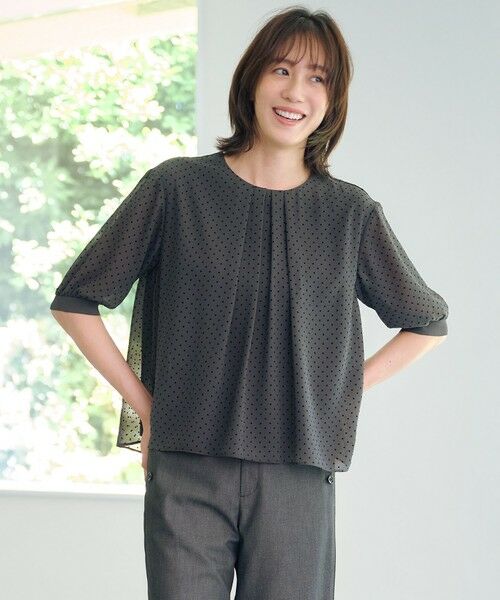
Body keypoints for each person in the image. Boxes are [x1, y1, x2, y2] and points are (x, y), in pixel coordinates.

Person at [50, 6, 449, 599]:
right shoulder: (176, 189)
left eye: (317, 78)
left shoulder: (349, 214)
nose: (295, 92)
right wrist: (146, 408)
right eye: (281, 70)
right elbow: (75, 302)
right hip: (187, 469)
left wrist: (338, 389)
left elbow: (427, 322)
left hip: (297, 472)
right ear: (252, 80)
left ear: (333, 99)